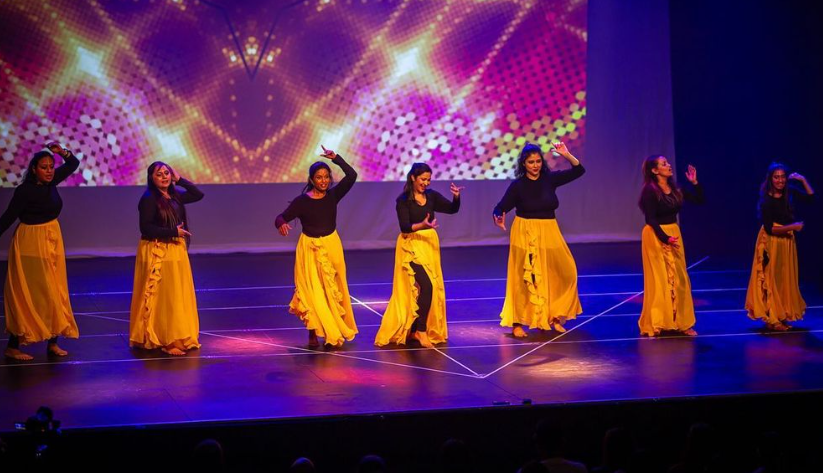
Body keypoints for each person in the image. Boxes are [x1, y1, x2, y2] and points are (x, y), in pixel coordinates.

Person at [492, 142, 584, 337]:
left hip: (549, 228)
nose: (535, 165)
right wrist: (498, 216)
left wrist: (566, 154)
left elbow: (579, 171)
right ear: (523, 164)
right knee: (525, 277)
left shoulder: (549, 179)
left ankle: (555, 316)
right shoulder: (518, 185)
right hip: (525, 229)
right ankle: (517, 323)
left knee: (564, 271)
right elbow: (501, 206)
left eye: (538, 161)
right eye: (531, 162)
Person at [1, 143, 80, 360]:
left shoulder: (52, 181)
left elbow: (73, 163)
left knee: (55, 291)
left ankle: (53, 342)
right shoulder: (24, 191)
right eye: (43, 167)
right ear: (34, 169)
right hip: (31, 243)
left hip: (52, 239)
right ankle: (13, 346)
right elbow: (9, 217)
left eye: (51, 166)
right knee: (32, 293)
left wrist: (61, 151)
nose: (49, 171)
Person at [275, 146, 358, 347]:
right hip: (309, 248)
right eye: (319, 177)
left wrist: (335, 158)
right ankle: (313, 331)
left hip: (331, 245)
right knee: (312, 290)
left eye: (326, 177)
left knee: (333, 288)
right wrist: (282, 224)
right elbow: (281, 217)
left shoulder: (333, 196)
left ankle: (333, 330)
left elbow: (352, 175)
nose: (323, 181)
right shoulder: (302, 201)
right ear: (312, 180)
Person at [375, 163, 462, 348]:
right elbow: (404, 227)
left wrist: (456, 197)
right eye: (423, 179)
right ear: (413, 178)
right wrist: (422, 225)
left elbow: (453, 209)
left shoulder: (432, 196)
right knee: (426, 285)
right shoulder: (403, 200)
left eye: (428, 179)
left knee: (424, 287)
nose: (426, 183)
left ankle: (414, 330)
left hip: (428, 244)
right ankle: (421, 331)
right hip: (410, 246)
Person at [129, 161, 204, 355]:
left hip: (175, 249)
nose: (164, 177)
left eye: (167, 173)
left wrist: (180, 180)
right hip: (157, 249)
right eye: (159, 174)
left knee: (175, 294)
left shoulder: (175, 195)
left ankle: (175, 336)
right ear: (151, 178)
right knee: (163, 296)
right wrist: (173, 231)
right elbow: (145, 228)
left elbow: (198, 195)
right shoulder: (148, 198)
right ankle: (165, 339)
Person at [638, 155, 703, 337]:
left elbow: (699, 200)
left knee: (680, 279)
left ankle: (683, 323)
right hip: (656, 234)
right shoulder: (650, 191)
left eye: (667, 162)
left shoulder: (675, 189)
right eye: (663, 164)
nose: (668, 166)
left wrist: (695, 182)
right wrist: (665, 238)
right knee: (660, 280)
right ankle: (658, 321)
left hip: (673, 233)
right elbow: (650, 219)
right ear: (655, 170)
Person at [744, 163, 813, 331]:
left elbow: (811, 198)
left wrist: (803, 180)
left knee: (784, 279)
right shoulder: (766, 200)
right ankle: (772, 319)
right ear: (770, 179)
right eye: (776, 177)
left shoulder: (789, 193)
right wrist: (793, 227)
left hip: (786, 242)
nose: (780, 180)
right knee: (770, 279)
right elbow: (770, 229)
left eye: (783, 177)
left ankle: (782, 314)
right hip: (771, 241)